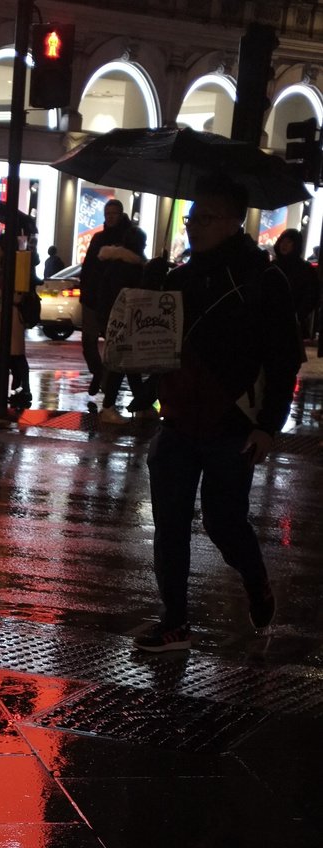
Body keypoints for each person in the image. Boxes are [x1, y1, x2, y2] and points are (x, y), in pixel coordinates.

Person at [136, 173, 302, 652]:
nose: (194, 227)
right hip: (179, 421)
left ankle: (255, 579)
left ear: (234, 221)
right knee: (169, 524)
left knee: (223, 521)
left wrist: (269, 425)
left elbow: (283, 357)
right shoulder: (179, 278)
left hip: (233, 425)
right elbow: (154, 349)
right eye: (191, 218)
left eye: (205, 218)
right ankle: (174, 622)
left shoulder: (262, 280)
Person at [94, 222, 152, 422]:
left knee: (129, 365)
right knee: (122, 365)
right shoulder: (130, 267)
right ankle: (109, 407)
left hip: (112, 321)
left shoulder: (115, 263)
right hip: (123, 323)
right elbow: (132, 297)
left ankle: (141, 405)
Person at [79, 197, 128, 393]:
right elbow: (88, 266)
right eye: (107, 214)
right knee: (88, 341)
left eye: (113, 214)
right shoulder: (98, 238)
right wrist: (86, 290)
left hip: (115, 298)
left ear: (120, 215)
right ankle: (98, 372)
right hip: (94, 296)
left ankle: (107, 383)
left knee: (113, 343)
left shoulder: (128, 237)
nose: (110, 218)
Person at [0, 238, 32, 409]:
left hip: (11, 314)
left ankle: (22, 387)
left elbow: (15, 294)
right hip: (3, 313)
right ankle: (7, 384)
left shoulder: (14, 267)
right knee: (4, 353)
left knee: (15, 354)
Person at [272, 228, 317, 344]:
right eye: (282, 241)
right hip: (271, 321)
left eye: (289, 242)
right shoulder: (272, 266)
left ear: (296, 245)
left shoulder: (305, 269)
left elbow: (311, 295)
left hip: (293, 322)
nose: (284, 245)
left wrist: (298, 315)